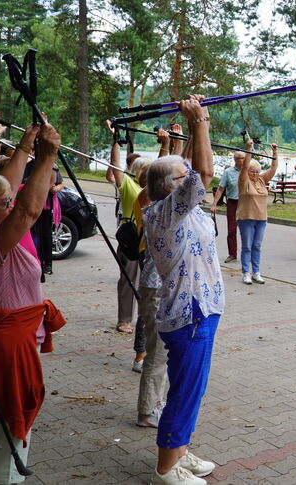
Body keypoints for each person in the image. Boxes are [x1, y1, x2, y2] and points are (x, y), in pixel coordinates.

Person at [0, 120, 66, 485]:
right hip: (4, 348)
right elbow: (27, 210)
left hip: (3, 339)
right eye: (3, 203)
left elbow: (7, 192)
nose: (9, 204)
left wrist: (25, 146)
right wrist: (48, 156)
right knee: (10, 423)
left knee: (4, 421)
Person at [143, 95, 222, 485]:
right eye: (181, 175)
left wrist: (190, 133)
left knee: (193, 388)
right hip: (188, 315)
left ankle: (179, 451)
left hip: (200, 309)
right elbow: (203, 175)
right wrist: (199, 122)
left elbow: (193, 169)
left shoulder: (178, 208)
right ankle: (166, 468)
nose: (188, 176)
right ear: (168, 187)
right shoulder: (165, 212)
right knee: (184, 393)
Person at [107, 119, 152, 334]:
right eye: (146, 168)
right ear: (136, 171)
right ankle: (124, 320)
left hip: (150, 237)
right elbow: (115, 168)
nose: (149, 171)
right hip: (132, 236)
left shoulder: (153, 187)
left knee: (149, 281)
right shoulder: (127, 184)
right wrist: (115, 140)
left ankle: (147, 317)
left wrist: (168, 142)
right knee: (128, 278)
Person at [132, 161, 168, 429]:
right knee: (157, 351)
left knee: (161, 349)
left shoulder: (154, 206)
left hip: (158, 285)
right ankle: (147, 410)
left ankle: (155, 403)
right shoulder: (156, 210)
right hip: (156, 287)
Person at [237, 140, 278, 285]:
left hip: (261, 218)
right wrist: (249, 149)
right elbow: (245, 166)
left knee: (257, 246)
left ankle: (256, 272)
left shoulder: (261, 179)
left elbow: (273, 168)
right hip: (246, 217)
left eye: (256, 171)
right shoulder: (243, 180)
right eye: (252, 171)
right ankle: (246, 273)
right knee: (247, 246)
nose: (254, 174)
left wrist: (275, 152)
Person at [210, 150, 245, 263]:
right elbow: (221, 189)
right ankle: (232, 254)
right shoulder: (228, 172)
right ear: (235, 159)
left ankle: (247, 254)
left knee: (246, 230)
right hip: (233, 203)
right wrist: (214, 204)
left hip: (246, 203)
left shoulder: (248, 170)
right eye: (240, 158)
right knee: (231, 230)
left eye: (244, 157)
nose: (243, 160)